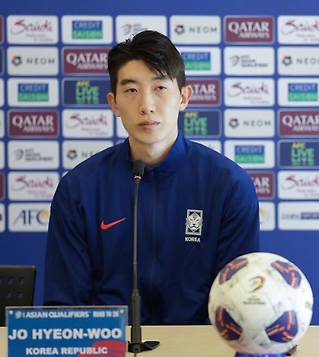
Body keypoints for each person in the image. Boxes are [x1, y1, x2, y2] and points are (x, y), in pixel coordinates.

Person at [44, 31, 260, 324]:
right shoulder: (79, 189)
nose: (146, 105)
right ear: (114, 103)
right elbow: (64, 309)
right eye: (131, 90)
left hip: (201, 356)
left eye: (160, 87)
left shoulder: (228, 185)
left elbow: (240, 305)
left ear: (184, 97)